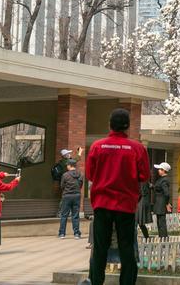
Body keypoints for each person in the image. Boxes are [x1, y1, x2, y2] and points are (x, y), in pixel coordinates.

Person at [86, 108, 150, 285]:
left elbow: (90, 174)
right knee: (127, 247)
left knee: (100, 248)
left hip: (102, 204)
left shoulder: (98, 146)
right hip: (126, 205)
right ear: (127, 126)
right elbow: (144, 176)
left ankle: (96, 281)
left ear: (110, 125)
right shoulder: (137, 148)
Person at [59, 160, 83, 239]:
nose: (66, 166)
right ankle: (76, 234)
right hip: (76, 196)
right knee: (75, 215)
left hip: (67, 196)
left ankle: (62, 234)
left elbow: (62, 186)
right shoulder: (80, 174)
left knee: (64, 215)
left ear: (70, 165)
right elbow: (80, 185)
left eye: (67, 165)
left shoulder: (65, 175)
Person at [153, 162, 171, 239]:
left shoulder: (164, 180)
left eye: (160, 169)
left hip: (161, 203)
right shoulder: (161, 179)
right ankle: (162, 238)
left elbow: (167, 194)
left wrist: (166, 203)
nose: (158, 171)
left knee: (161, 223)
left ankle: (164, 239)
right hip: (159, 203)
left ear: (164, 170)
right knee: (159, 222)